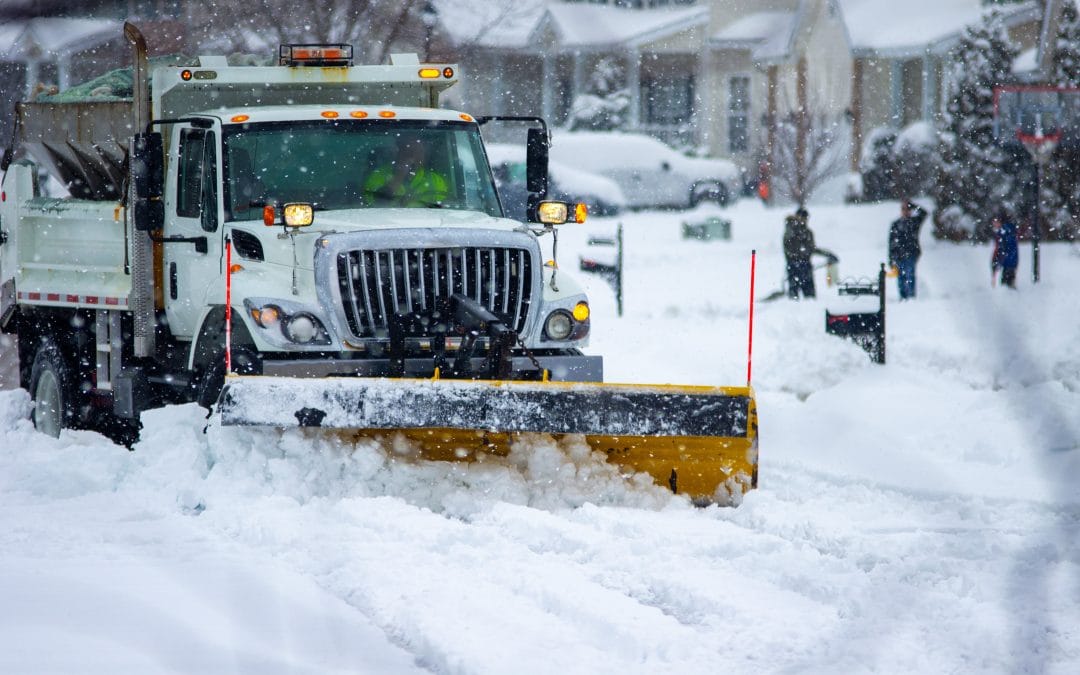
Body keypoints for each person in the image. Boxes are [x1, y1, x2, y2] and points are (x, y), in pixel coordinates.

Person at [362, 136, 449, 207]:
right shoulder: (378, 175)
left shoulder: (434, 180)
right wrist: (398, 177)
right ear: (398, 154)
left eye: (419, 152)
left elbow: (443, 210)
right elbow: (375, 205)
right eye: (409, 152)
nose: (414, 157)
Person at [783, 207, 829, 299]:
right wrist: (800, 257)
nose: (804, 220)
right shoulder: (790, 231)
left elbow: (812, 248)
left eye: (806, 218)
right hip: (794, 266)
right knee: (793, 298)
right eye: (802, 218)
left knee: (810, 297)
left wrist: (826, 254)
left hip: (806, 266)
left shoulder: (808, 232)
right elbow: (790, 250)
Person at [888, 199, 927, 299]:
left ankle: (911, 297)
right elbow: (891, 242)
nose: (905, 211)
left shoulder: (914, 222)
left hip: (911, 254)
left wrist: (913, 205)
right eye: (903, 209)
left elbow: (924, 213)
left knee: (910, 275)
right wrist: (891, 259)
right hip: (898, 255)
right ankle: (903, 297)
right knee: (901, 278)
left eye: (907, 209)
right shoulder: (896, 224)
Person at [991, 209, 1019, 288]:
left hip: (1008, 262)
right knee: (1008, 282)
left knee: (1006, 285)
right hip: (1010, 262)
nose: (994, 224)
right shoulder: (1008, 230)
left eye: (995, 221)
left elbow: (1002, 248)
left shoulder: (1004, 231)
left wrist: (998, 259)